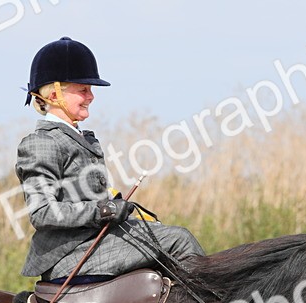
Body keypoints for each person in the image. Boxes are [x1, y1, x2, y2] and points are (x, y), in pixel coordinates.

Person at [16, 37, 205, 282]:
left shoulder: (81, 138)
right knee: (178, 240)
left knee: (163, 231)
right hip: (70, 254)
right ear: (54, 94)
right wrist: (103, 210)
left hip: (97, 241)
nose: (91, 96)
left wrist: (113, 202)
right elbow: (42, 213)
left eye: (91, 90)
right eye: (83, 90)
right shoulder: (40, 143)